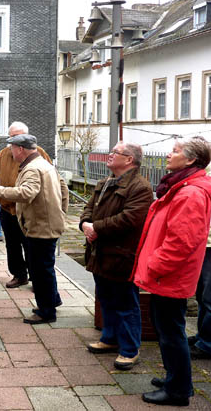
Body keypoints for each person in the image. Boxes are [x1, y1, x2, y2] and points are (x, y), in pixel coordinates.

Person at [132, 137, 211, 406]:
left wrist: (155, 265)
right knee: (167, 330)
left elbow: (181, 242)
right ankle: (175, 377)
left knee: (171, 332)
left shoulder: (190, 193)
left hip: (169, 275)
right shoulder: (182, 186)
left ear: (191, 160)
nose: (169, 155)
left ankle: (179, 390)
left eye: (175, 151)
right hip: (166, 275)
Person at [79, 142, 153, 371]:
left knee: (125, 302)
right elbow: (88, 208)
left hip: (122, 254)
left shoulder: (140, 187)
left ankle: (130, 349)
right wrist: (85, 224)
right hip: (100, 251)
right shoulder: (104, 182)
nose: (109, 156)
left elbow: (130, 219)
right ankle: (109, 338)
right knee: (106, 298)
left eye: (115, 153)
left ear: (129, 159)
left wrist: (96, 228)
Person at [0, 134, 68, 324]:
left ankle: (46, 312)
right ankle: (51, 301)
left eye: (12, 148)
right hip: (45, 224)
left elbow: (25, 193)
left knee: (40, 269)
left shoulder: (32, 168)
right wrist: (61, 212)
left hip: (40, 227)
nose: (10, 152)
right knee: (44, 267)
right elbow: (63, 189)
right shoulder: (44, 164)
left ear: (20, 149)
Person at [0, 122, 54, 288]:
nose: (16, 140)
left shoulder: (39, 154)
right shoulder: (3, 154)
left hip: (28, 211)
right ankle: (19, 274)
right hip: (7, 210)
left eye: (20, 136)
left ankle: (35, 278)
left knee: (30, 246)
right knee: (12, 245)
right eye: (13, 137)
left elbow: (53, 180)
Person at [189, 160, 211, 360]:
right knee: (202, 295)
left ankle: (209, 345)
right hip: (203, 244)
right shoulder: (198, 178)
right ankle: (203, 336)